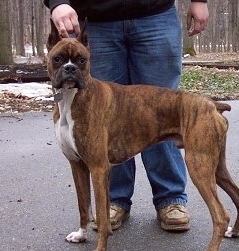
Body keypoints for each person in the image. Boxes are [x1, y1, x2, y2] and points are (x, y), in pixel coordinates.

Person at [44, 0, 209, 232]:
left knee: (165, 114)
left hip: (155, 14)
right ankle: (114, 201)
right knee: (104, 125)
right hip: (96, 19)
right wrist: (57, 2)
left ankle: (170, 199)